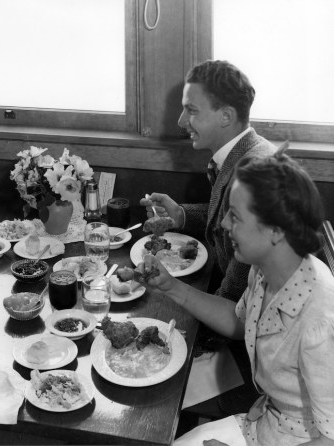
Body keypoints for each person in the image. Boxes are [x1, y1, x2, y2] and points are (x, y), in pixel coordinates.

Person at [142, 151, 334, 445]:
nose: (225, 225)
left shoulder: (320, 318)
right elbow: (239, 320)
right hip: (264, 422)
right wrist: (171, 287)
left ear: (275, 231)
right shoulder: (265, 267)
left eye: (236, 216)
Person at [141, 60, 277, 415]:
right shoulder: (245, 152)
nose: (181, 122)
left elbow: (233, 304)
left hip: (248, 357)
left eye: (191, 111)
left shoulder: (252, 171)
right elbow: (224, 218)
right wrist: (182, 215)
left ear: (225, 116)